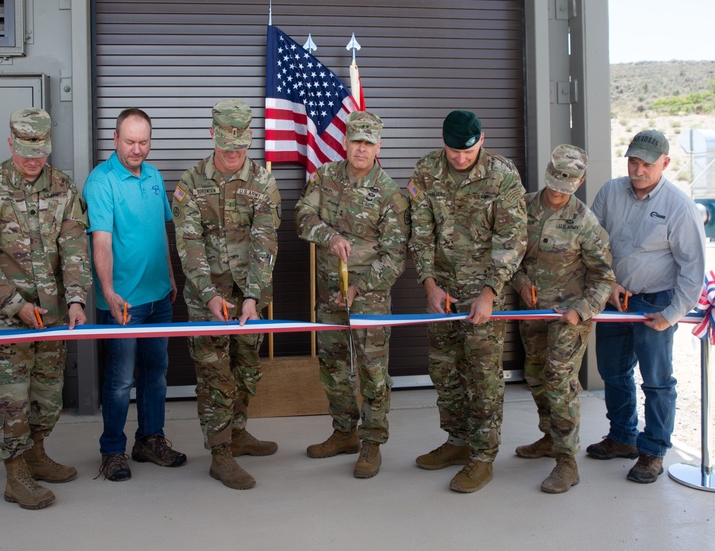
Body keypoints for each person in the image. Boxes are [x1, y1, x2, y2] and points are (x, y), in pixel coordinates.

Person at [0, 108, 91, 510]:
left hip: (51, 315)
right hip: (5, 320)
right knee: (10, 397)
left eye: (40, 152)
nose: (33, 161)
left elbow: (74, 249)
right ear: (10, 143)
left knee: (46, 393)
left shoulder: (64, 187)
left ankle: (36, 453)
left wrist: (75, 299)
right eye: (24, 152)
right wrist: (16, 306)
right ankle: (14, 473)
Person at [407, 110, 527, 493]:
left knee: (482, 376)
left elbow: (512, 241)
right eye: (453, 151)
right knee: (444, 369)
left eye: (468, 150)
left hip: (483, 292)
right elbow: (421, 233)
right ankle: (457, 442)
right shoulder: (427, 170)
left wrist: (490, 293)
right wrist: (428, 284)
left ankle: (482, 456)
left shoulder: (502, 174)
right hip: (443, 290)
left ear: (482, 139)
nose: (460, 158)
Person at [172, 99, 281, 490]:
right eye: (225, 147)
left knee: (246, 369)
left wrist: (252, 298)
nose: (233, 155)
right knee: (215, 376)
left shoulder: (263, 182)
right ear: (212, 137)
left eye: (239, 148)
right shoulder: (191, 183)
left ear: (249, 140)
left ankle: (237, 432)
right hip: (208, 297)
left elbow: (265, 242)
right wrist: (208, 295)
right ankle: (220, 454)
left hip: (251, 294)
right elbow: (189, 244)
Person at [586, 129, 705, 484]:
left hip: (655, 302)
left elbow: (692, 268)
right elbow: (592, 245)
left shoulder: (679, 207)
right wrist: (608, 283)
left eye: (646, 164)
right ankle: (622, 436)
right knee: (612, 372)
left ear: (665, 163)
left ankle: (652, 450)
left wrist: (671, 314)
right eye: (632, 162)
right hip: (613, 300)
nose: (638, 170)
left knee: (656, 380)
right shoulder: (609, 192)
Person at [295, 111, 410, 479]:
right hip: (330, 294)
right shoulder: (326, 177)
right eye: (356, 141)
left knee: (373, 373)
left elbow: (396, 257)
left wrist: (360, 286)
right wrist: (328, 236)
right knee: (333, 367)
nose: (361, 149)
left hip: (369, 300)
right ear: (346, 142)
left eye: (369, 143)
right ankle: (344, 432)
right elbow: (302, 215)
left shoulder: (391, 195)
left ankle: (371, 443)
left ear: (379, 146)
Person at [83, 108, 187, 482]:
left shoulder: (155, 175)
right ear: (115, 140)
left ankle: (150, 439)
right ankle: (112, 451)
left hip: (160, 298)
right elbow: (102, 242)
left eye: (144, 142)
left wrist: (171, 277)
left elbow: (160, 231)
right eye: (129, 141)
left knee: (156, 374)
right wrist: (108, 291)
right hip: (124, 302)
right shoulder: (101, 181)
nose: (137, 149)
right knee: (120, 380)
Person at [511, 144, 615, 493]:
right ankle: (549, 438)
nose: (557, 191)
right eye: (554, 182)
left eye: (566, 185)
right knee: (535, 376)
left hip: (568, 316)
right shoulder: (522, 207)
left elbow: (604, 278)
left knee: (559, 381)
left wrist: (581, 310)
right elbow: (509, 255)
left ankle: (567, 462)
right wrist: (521, 283)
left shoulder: (585, 222)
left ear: (580, 181)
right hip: (533, 312)